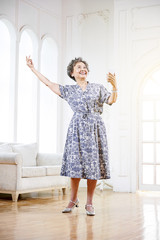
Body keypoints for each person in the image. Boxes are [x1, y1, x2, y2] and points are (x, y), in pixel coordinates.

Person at [26, 56, 117, 216]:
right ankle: (73, 199)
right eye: (79, 67)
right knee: (75, 165)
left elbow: (111, 100)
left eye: (84, 67)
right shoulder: (69, 90)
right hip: (76, 128)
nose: (83, 69)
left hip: (95, 128)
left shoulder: (98, 87)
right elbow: (48, 83)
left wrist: (114, 86)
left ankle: (89, 203)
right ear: (72, 73)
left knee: (92, 165)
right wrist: (33, 69)